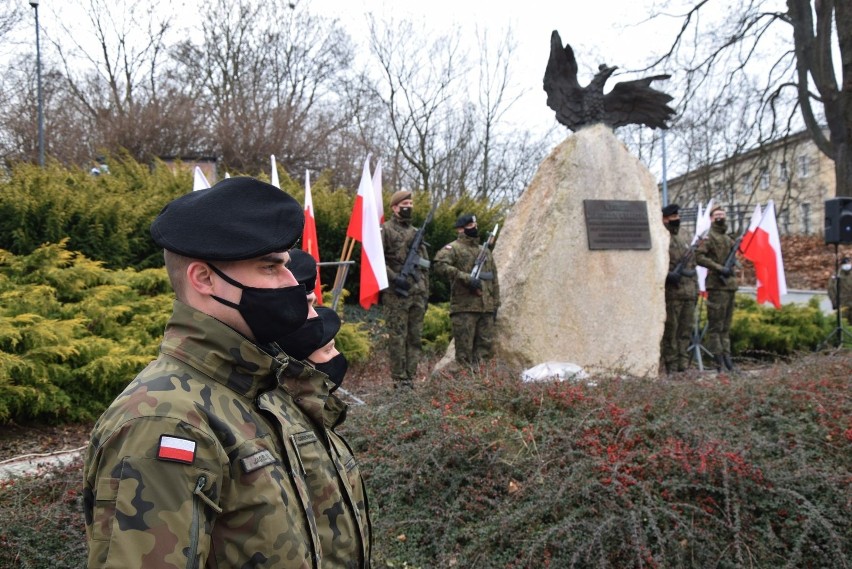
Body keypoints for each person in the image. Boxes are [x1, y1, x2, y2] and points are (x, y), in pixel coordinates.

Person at [83, 177, 370, 568]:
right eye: (270, 267)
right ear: (203, 279)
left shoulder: (269, 388)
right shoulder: (165, 422)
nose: (293, 284)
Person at [434, 213, 500, 368]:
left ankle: (480, 389)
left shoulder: (484, 251)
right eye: (471, 225)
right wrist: (466, 278)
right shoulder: (453, 248)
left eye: (475, 224)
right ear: (460, 229)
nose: (475, 228)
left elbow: (494, 279)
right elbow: (439, 265)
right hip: (465, 309)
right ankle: (463, 390)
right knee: (464, 356)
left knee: (484, 355)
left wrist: (495, 304)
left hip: (486, 309)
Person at [381, 189, 430, 388]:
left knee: (415, 338)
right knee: (397, 339)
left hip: (417, 294)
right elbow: (376, 261)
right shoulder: (385, 230)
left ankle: (410, 378)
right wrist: (395, 278)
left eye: (410, 205)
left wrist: (425, 290)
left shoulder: (416, 232)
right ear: (394, 208)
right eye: (404, 206)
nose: (409, 208)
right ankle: (399, 381)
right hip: (396, 294)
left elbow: (425, 264)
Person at [695, 205, 738, 372]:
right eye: (717, 215)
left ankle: (728, 361)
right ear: (711, 218)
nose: (720, 217)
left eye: (722, 215)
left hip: (729, 286)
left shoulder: (728, 238)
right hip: (716, 285)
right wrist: (720, 268)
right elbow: (699, 256)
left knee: (726, 327)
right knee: (716, 327)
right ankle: (718, 362)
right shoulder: (708, 236)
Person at [661, 203, 698, 374]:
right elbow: (654, 263)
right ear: (665, 219)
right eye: (673, 217)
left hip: (689, 292)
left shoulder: (685, 234)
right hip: (672, 293)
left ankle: (684, 366)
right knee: (671, 332)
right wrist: (668, 275)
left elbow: (693, 263)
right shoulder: (660, 236)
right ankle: (671, 367)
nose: (677, 219)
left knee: (685, 331)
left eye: (677, 217)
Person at [827, 255, 852, 326]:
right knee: (844, 325)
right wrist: (835, 303)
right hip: (843, 304)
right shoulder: (836, 275)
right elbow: (831, 289)